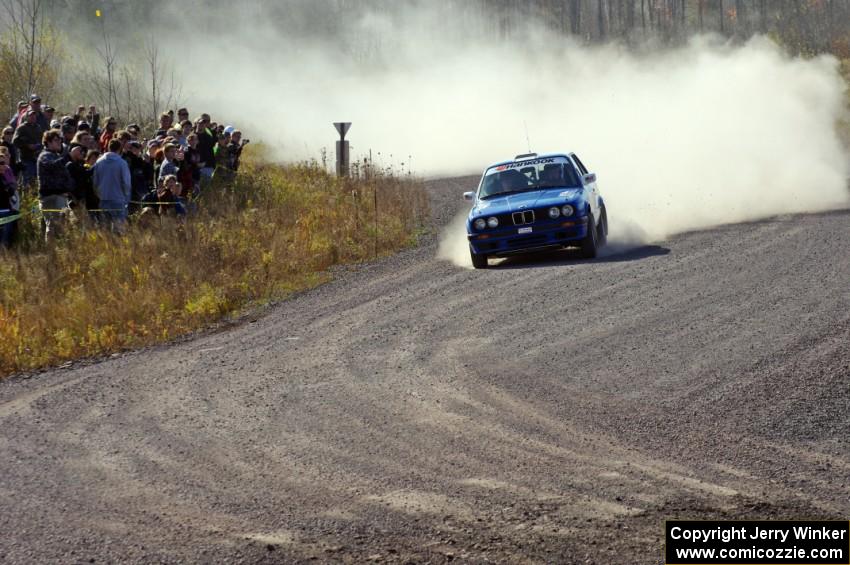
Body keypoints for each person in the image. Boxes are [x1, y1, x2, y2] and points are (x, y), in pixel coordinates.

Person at [37, 129, 76, 241]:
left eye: (60, 140)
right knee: (52, 226)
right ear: (48, 142)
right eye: (55, 140)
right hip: (50, 197)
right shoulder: (45, 155)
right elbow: (53, 166)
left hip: (60, 196)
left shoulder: (55, 155)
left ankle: (59, 253)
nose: (59, 142)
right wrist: (68, 156)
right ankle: (50, 254)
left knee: (61, 227)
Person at [92, 138, 131, 233]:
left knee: (105, 230)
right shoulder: (122, 163)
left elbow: (95, 182)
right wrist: (126, 196)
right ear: (119, 149)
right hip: (118, 200)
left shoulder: (99, 162)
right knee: (119, 230)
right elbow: (126, 183)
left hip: (103, 199)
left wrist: (99, 195)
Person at [13, 110, 44, 185]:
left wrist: (39, 146)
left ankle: (34, 196)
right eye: (31, 115)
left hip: (37, 158)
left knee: (36, 179)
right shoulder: (21, 128)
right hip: (26, 158)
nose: (33, 117)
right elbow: (15, 141)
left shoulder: (38, 127)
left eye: (34, 115)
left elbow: (42, 140)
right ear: (27, 117)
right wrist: (27, 145)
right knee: (27, 180)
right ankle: (26, 196)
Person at [0, 147, 19, 248]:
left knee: (7, 238)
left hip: (6, 209)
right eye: (1, 163)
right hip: (2, 211)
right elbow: (6, 192)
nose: (4, 166)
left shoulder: (3, 177)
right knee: (3, 238)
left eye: (4, 163)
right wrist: (9, 189)